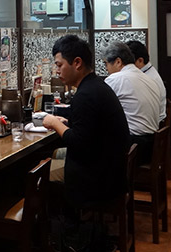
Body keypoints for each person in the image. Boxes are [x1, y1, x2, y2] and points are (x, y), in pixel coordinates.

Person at [42, 35, 130, 207]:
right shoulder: (96, 85)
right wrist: (66, 123)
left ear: (77, 63)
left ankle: (62, 229)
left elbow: (79, 143)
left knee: (38, 172)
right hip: (111, 173)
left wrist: (54, 123)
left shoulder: (86, 94)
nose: (57, 71)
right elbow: (90, 130)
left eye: (59, 65)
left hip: (97, 180)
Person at [103, 41, 161, 165]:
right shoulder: (148, 78)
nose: (107, 69)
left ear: (118, 62)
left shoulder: (117, 78)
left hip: (133, 148)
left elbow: (96, 106)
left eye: (106, 64)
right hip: (150, 146)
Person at [126, 39, 167, 125]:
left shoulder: (148, 78)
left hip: (152, 124)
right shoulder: (145, 73)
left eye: (129, 63)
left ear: (140, 61)